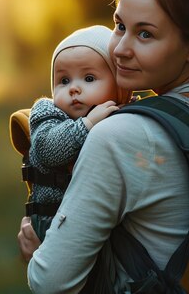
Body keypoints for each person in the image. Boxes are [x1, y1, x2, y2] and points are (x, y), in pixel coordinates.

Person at [17, 0, 189, 293]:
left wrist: (38, 255)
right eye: (120, 26)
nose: (120, 49)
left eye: (145, 34)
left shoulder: (118, 134)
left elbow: (52, 282)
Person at [26, 25, 131, 242]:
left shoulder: (126, 114)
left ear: (119, 86)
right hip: (53, 221)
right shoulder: (47, 113)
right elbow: (49, 150)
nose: (74, 88)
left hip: (99, 220)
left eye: (89, 78)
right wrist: (87, 124)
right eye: (64, 81)